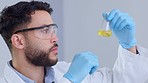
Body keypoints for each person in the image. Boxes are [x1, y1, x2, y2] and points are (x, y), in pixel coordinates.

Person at [0, 1, 148, 83]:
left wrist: (129, 46)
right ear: (18, 41)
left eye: (53, 30)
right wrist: (70, 80)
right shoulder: (72, 76)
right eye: (45, 30)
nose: (55, 38)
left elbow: (119, 81)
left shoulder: (68, 71)